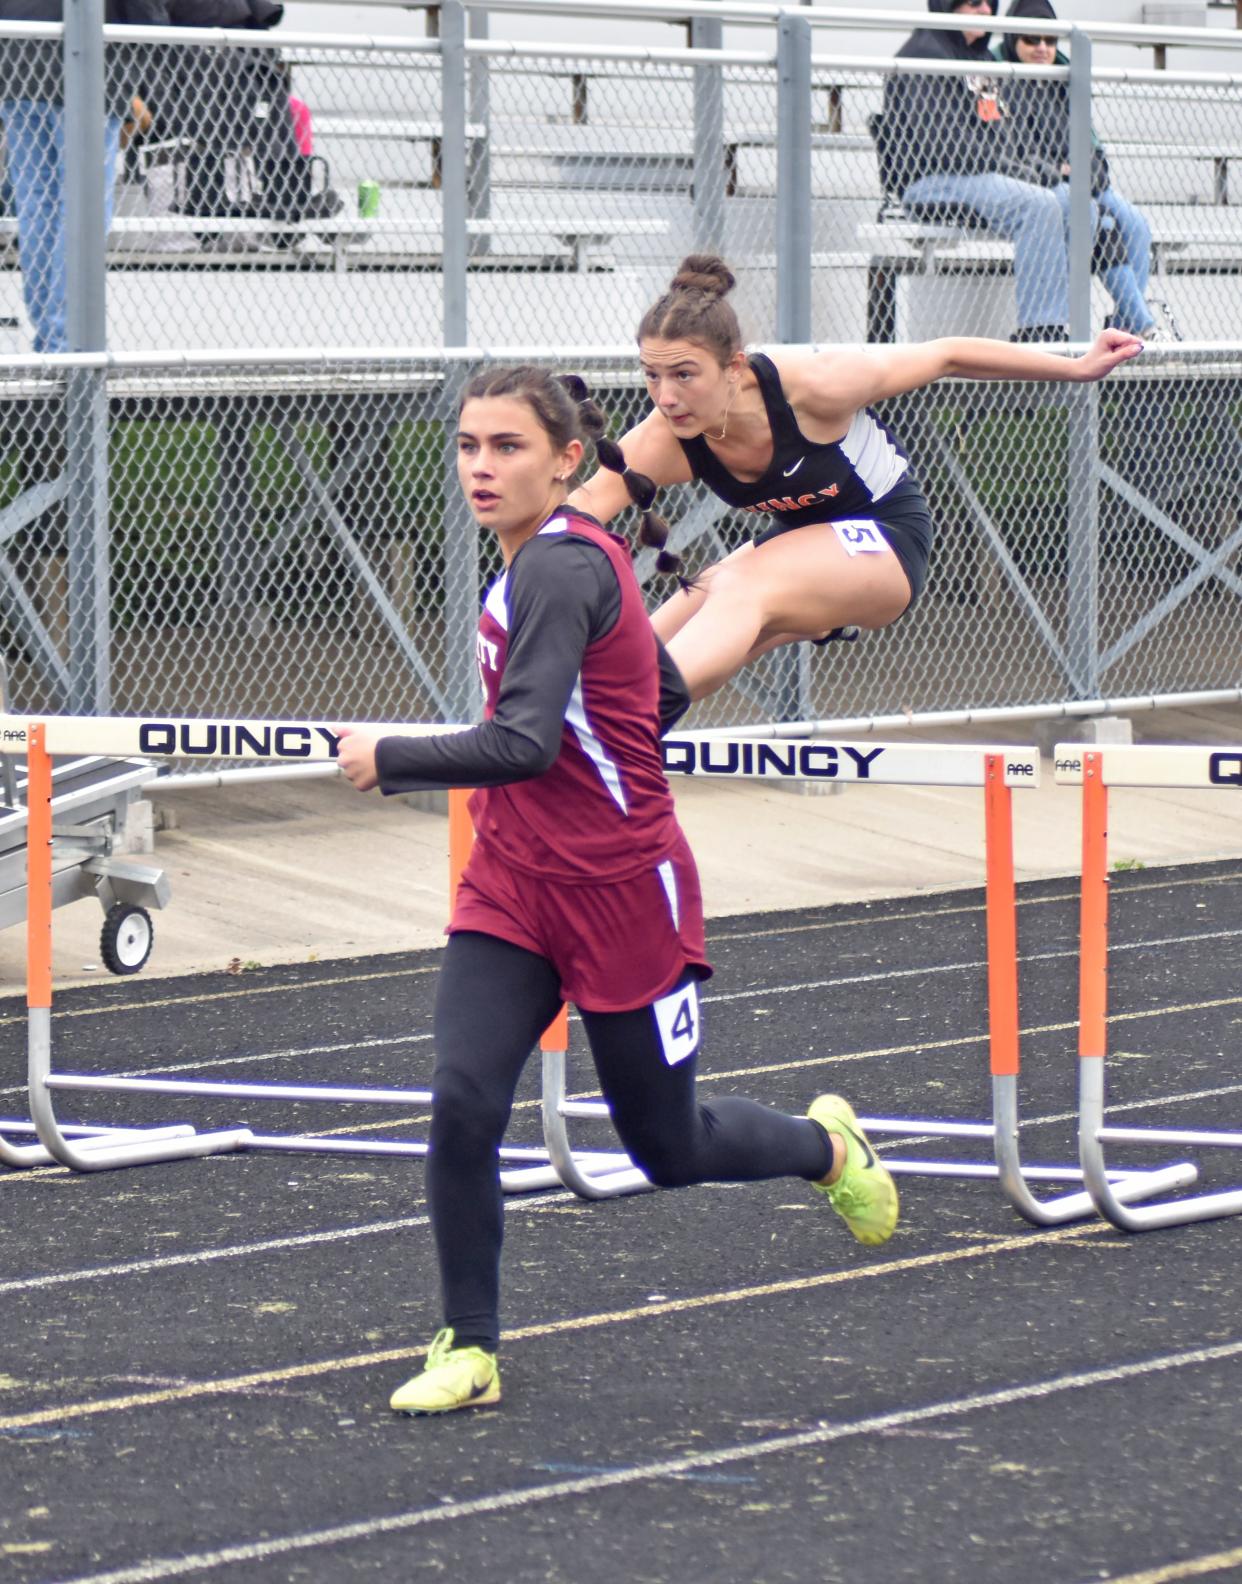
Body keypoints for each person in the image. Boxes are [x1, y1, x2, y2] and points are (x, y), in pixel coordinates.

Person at [335, 364, 900, 1415]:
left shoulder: (556, 569)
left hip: (623, 890)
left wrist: (393, 754)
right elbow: (628, 698)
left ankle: (829, 1148)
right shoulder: (545, 565)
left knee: (669, 1146)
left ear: (566, 463)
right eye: (467, 446)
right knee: (463, 1101)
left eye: (506, 448)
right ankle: (470, 1345)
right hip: (513, 884)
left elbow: (522, 740)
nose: (481, 467)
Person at [567, 255, 1142, 706]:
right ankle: (588, 734)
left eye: (685, 375)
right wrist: (520, 606)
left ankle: (627, 726)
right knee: (661, 628)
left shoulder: (817, 385)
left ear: (735, 367)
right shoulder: (663, 436)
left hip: (885, 540)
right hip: (796, 547)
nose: (666, 397)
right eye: (652, 376)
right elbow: (578, 514)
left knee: (738, 587)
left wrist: (1076, 367)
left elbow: (945, 355)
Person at [880, 0, 1075, 341]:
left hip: (979, 175)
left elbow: (1002, 135)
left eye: (990, 4)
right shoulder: (925, 53)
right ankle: (1041, 332)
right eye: (973, 3)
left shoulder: (981, 58)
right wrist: (1012, 168)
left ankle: (1069, 326)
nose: (985, 10)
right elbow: (939, 146)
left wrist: (1030, 169)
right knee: (1040, 205)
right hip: (930, 180)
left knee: (1072, 201)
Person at [0, 0, 173, 354]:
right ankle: (68, 341)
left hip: (17, 58)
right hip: (88, 62)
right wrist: (152, 42)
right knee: (84, 205)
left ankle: (53, 335)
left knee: (37, 203)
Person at [994, 0, 1170, 339]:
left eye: (1049, 40)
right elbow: (1009, 154)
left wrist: (1083, 173)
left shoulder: (1069, 76)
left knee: (1135, 224)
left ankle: (1127, 325)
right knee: (1099, 221)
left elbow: (1094, 152)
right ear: (1014, 39)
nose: (1043, 48)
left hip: (1080, 182)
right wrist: (1060, 172)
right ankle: (1134, 329)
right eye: (1032, 40)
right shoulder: (999, 74)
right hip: (1040, 184)